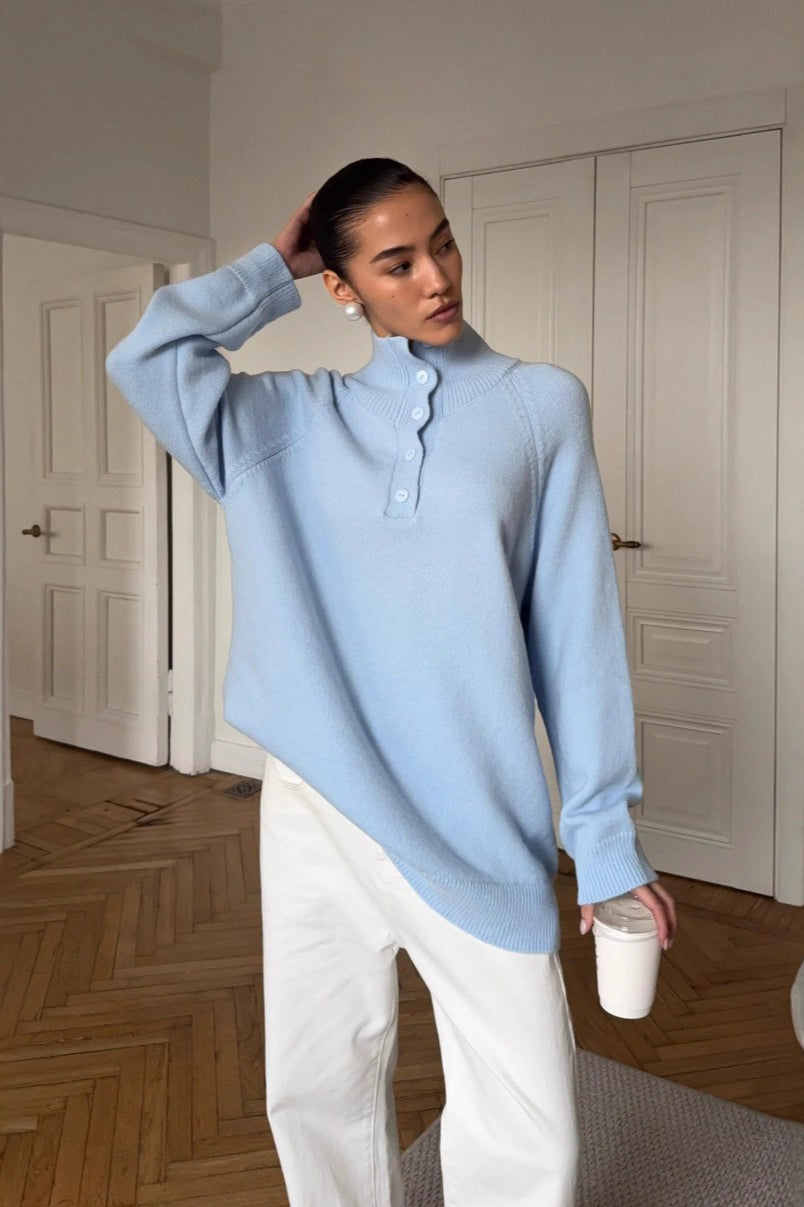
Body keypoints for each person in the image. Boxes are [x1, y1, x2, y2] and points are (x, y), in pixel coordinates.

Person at [106, 157, 677, 1207]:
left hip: (475, 808)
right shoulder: (277, 421)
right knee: (317, 1082)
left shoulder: (540, 407)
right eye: (397, 262)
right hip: (316, 803)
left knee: (527, 1116)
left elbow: (576, 635)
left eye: (442, 243)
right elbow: (146, 354)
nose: (437, 278)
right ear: (341, 283)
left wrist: (604, 841)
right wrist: (271, 266)